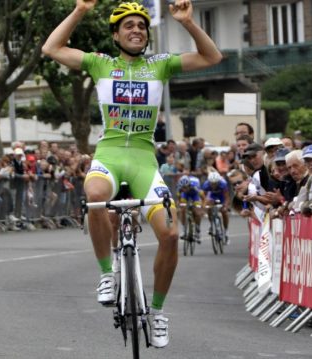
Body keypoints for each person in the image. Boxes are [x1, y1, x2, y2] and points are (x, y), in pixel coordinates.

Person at [42, 0, 222, 347]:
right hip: (109, 154)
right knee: (95, 197)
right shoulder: (100, 63)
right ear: (115, 34)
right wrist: (79, 10)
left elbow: (212, 57)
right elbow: (51, 47)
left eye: (141, 25)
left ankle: (158, 312)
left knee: (169, 234)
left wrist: (188, 22)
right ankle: (107, 274)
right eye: (128, 25)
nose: (136, 30)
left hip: (143, 161)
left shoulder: (160, 65)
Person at [201, 171, 230, 244]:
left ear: (218, 181)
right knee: (209, 209)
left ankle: (226, 231)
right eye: (212, 183)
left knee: (224, 212)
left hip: (221, 196)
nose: (213, 185)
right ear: (209, 182)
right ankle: (211, 225)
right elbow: (203, 196)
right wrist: (204, 205)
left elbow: (227, 197)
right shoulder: (206, 185)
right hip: (212, 196)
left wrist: (225, 206)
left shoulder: (223, 184)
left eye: (215, 183)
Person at [177, 174, 205, 243]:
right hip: (185, 196)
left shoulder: (195, 186)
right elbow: (178, 199)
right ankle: (184, 230)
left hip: (195, 195)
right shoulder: (180, 188)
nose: (185, 189)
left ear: (189, 185)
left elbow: (203, 198)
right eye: (183, 188)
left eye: (186, 187)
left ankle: (197, 229)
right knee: (182, 210)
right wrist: (179, 205)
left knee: (197, 213)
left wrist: (202, 208)